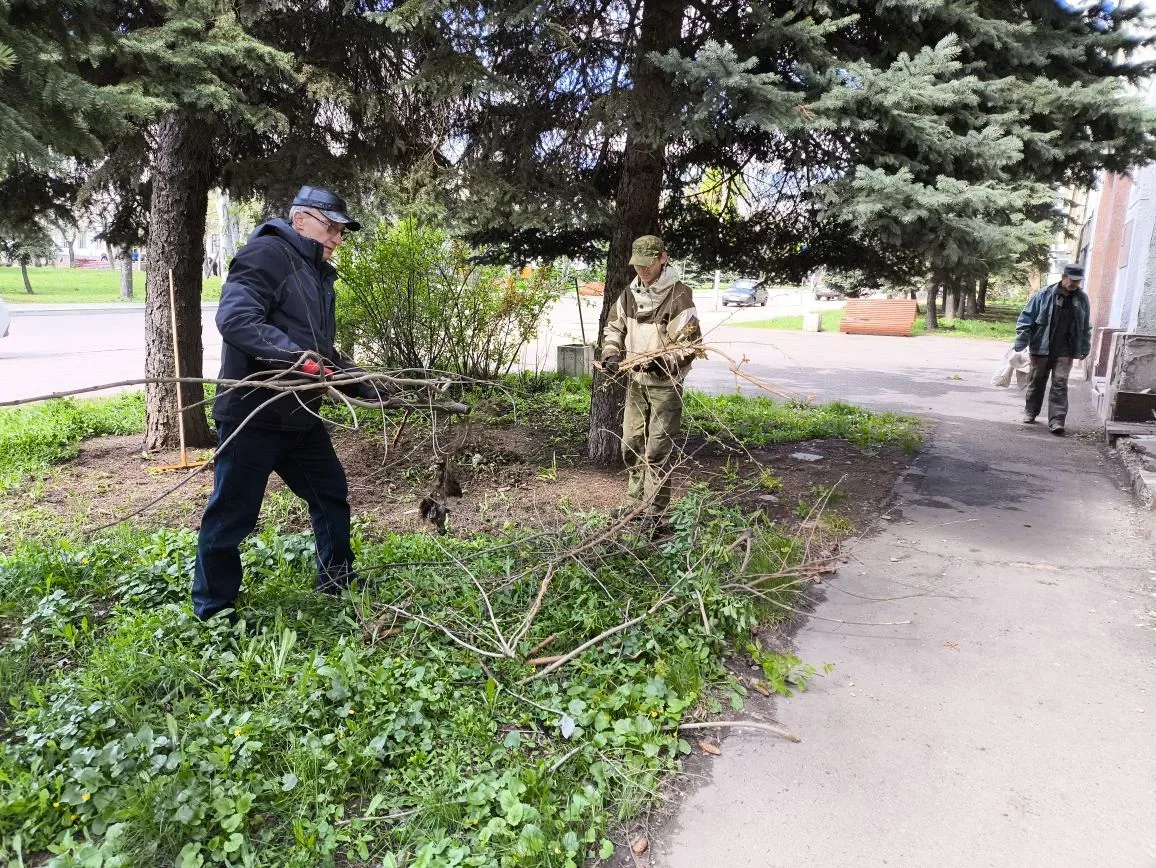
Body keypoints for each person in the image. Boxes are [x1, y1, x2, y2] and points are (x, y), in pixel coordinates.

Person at [193, 185, 377, 621]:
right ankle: (213, 609)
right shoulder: (266, 255)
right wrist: (298, 361)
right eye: (330, 228)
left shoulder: (317, 274)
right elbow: (236, 318)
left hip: (300, 414)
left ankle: (337, 579)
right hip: (253, 412)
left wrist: (367, 385)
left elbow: (321, 351)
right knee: (232, 514)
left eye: (341, 232)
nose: (337, 238)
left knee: (330, 493)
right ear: (300, 219)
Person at [601, 235, 703, 528]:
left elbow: (691, 346)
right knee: (631, 444)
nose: (642, 270)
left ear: (663, 258)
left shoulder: (678, 296)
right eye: (638, 265)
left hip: (666, 387)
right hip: (636, 382)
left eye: (648, 264)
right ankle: (635, 506)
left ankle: (655, 515)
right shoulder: (630, 294)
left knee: (656, 452)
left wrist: (663, 363)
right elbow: (613, 327)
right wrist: (611, 354)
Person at [1013, 263, 1092, 436]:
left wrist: (1085, 346)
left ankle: (1057, 421)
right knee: (1037, 381)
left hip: (1066, 350)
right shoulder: (1044, 294)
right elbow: (1026, 318)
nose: (1075, 284)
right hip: (1041, 347)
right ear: (1064, 277)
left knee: (1060, 384)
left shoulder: (1082, 299)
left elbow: (1085, 326)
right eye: (1072, 280)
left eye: (1078, 281)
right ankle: (1031, 411)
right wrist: (1021, 342)